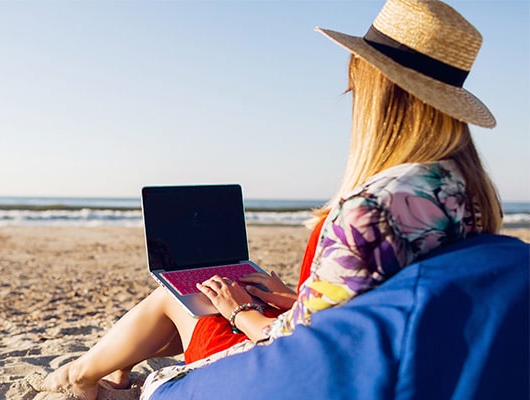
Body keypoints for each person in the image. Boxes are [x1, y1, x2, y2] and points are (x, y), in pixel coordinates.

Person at [40, 0, 502, 399]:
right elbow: (374, 305)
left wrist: (241, 311)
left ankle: (81, 375)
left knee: (181, 297)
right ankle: (101, 371)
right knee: (201, 293)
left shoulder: (374, 209)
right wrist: (295, 297)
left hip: (306, 372)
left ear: (380, 94)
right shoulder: (465, 193)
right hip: (388, 356)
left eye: (356, 88)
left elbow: (305, 343)